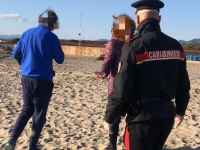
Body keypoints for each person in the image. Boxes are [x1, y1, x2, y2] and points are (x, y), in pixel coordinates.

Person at [103, 0, 190, 150]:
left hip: (141, 119)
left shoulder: (133, 46)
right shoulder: (175, 45)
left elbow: (121, 88)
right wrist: (180, 111)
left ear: (137, 19)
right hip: (166, 116)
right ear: (159, 19)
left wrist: (109, 117)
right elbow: (184, 85)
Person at [2, 9, 64, 150]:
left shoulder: (26, 33)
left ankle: (12, 139)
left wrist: (25, 63)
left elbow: (14, 54)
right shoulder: (51, 37)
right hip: (43, 80)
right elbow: (60, 59)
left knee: (26, 109)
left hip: (26, 77)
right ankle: (32, 145)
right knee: (39, 115)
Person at [94, 14, 136, 150]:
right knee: (115, 118)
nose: (126, 32)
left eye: (128, 28)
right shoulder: (113, 43)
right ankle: (112, 145)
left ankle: (129, 144)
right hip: (116, 88)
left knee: (133, 118)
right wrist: (103, 72)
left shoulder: (134, 42)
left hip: (133, 86)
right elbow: (107, 62)